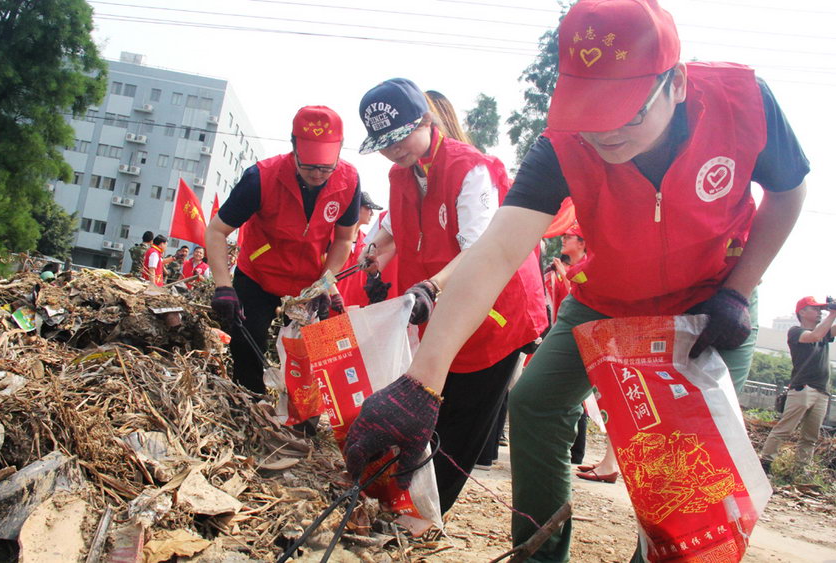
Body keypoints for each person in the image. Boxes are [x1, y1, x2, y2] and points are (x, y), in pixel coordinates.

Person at [343, 1, 809, 559]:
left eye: (626, 113)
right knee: (536, 401)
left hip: (712, 299)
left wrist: (739, 289)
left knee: (685, 462)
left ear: (676, 83)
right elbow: (492, 254)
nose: (606, 133)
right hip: (607, 297)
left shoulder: (744, 102)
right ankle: (539, 551)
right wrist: (422, 382)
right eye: (590, 112)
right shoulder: (561, 144)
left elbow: (788, 192)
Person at [351, 78, 547, 514]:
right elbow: (392, 231)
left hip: (494, 312)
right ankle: (403, 503)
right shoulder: (401, 173)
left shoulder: (470, 166)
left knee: (461, 422)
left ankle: (424, 520)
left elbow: (480, 248)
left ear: (425, 119)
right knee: (430, 409)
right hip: (444, 315)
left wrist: (433, 285)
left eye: (400, 136)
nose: (394, 149)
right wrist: (371, 255)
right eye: (383, 143)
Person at [205, 105, 361, 395]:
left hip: (310, 283)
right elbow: (216, 231)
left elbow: (343, 240)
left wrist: (326, 284)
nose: (318, 174)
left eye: (326, 167)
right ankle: (249, 406)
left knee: (311, 359)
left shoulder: (348, 181)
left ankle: (304, 422)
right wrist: (223, 287)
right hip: (259, 274)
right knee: (246, 344)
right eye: (309, 166)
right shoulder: (261, 178)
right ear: (293, 148)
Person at [760, 297, 835, 475]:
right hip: (803, 388)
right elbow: (814, 336)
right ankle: (766, 462)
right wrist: (832, 313)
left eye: (820, 310)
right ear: (802, 312)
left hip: (822, 391)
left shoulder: (824, 332)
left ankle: (801, 468)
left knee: (810, 436)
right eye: (815, 309)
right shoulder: (796, 331)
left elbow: (827, 331)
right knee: (785, 429)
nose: (819, 312)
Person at [335, 191, 386, 307]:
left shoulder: (368, 245)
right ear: (355, 207)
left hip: (353, 312)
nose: (372, 214)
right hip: (327, 306)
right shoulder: (332, 238)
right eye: (368, 208)